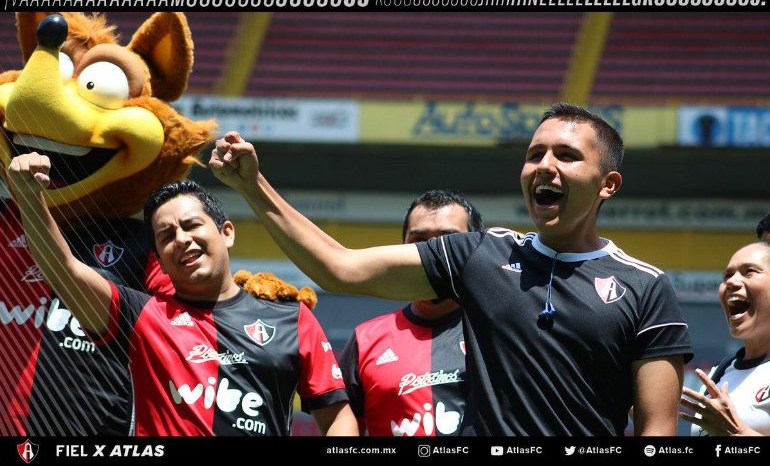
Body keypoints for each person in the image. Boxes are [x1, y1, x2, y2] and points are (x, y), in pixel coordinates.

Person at [209, 102, 693, 436]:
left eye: (566, 156)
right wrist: (254, 187)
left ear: (608, 184)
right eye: (534, 155)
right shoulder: (480, 255)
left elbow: (656, 429)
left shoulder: (645, 286)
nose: (545, 165)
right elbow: (341, 269)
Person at [5, 156, 357, 436]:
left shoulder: (290, 317)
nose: (182, 240)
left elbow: (337, 416)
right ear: (158, 257)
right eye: (166, 235)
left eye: (191, 225)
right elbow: (63, 267)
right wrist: (30, 197)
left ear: (227, 233)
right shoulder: (139, 315)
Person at [339, 190, 482, 436]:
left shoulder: (502, 331)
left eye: (449, 240)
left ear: (477, 248)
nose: (433, 253)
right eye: (420, 241)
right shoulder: (366, 339)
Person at [681, 241, 770, 436]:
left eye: (749, 272)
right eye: (727, 275)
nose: (731, 282)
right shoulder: (720, 372)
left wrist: (736, 432)